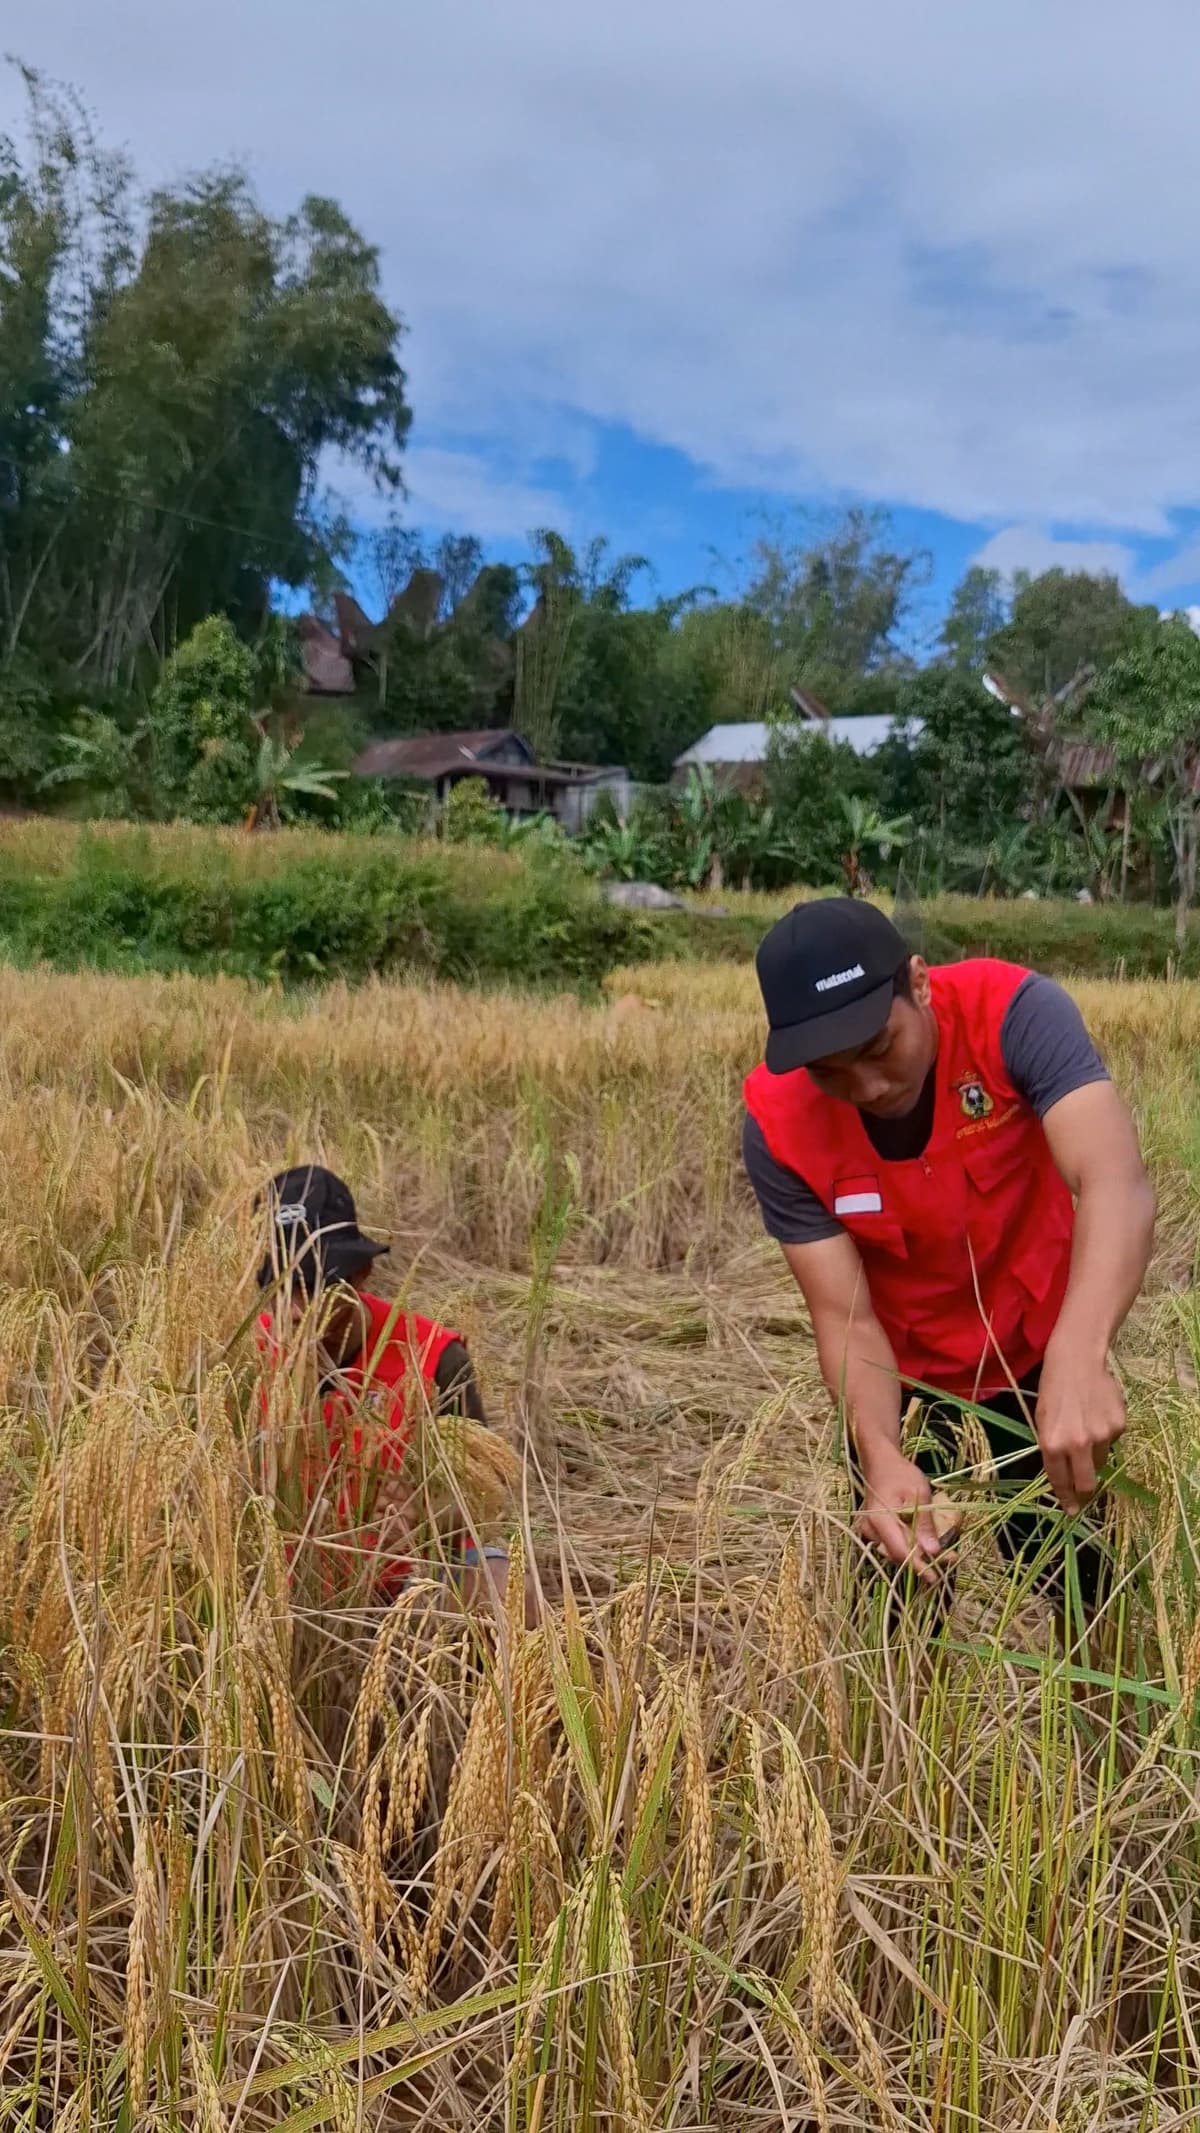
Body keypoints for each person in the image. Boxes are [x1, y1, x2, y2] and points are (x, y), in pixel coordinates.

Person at [742, 898, 1155, 1613]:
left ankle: (1112, 1723)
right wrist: (878, 1448)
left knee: (1088, 1594)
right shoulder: (778, 1124)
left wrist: (1080, 1354)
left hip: (1039, 1349)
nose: (868, 1088)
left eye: (879, 1048)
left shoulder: (1016, 1015)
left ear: (921, 983)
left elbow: (1114, 1181)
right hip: (903, 1380)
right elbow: (845, 1316)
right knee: (898, 1607)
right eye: (831, 1074)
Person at [255, 1164, 524, 1617]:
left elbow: (483, 1499)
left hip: (407, 1588)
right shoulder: (245, 1354)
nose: (297, 1311)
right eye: (282, 1287)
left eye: (315, 1285)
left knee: (505, 1588)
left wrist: (424, 1516)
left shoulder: (434, 1358)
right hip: (278, 1588)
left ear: (362, 1274)